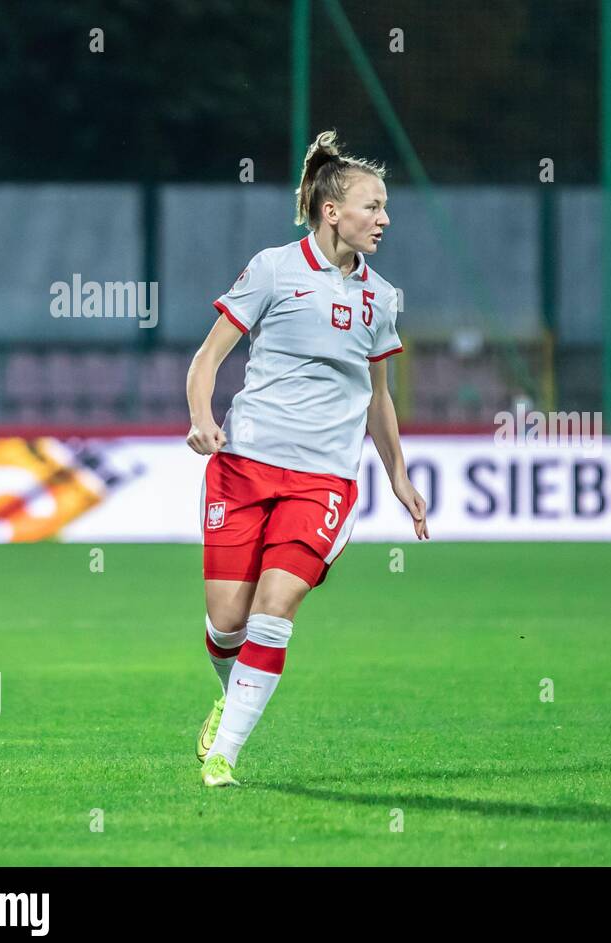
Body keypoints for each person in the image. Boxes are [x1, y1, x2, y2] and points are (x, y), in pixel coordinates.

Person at [184, 129, 428, 787]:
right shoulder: (272, 269)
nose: (384, 218)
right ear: (331, 211)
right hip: (241, 469)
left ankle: (225, 756)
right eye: (372, 206)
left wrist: (399, 476)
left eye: (384, 208)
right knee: (226, 625)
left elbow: (377, 399)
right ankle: (228, 698)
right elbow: (207, 359)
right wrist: (203, 418)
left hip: (322, 482)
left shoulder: (383, 298)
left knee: (274, 606)